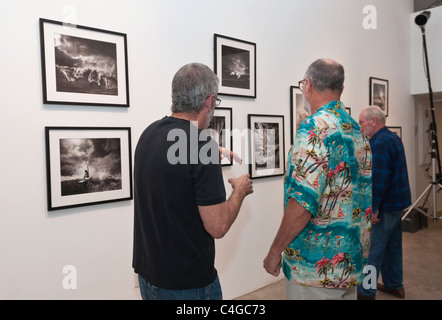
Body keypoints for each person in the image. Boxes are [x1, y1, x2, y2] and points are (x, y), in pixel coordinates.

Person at [132, 63, 253, 300]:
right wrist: (239, 190)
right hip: (186, 285)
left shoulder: (149, 134)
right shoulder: (200, 146)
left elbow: (175, 163)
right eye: (215, 103)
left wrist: (212, 149)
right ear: (209, 101)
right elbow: (218, 226)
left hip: (149, 277)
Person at [263, 58, 372, 300]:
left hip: (315, 269)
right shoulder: (357, 131)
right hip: (349, 265)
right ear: (341, 89)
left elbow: (302, 204)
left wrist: (274, 251)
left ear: (308, 86)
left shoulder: (313, 129)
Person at [357, 106, 411, 300]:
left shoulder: (378, 143)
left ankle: (366, 292)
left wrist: (373, 208)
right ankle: (395, 285)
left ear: (373, 121)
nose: (360, 126)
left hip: (385, 208)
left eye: (362, 122)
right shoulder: (392, 137)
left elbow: (379, 179)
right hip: (398, 204)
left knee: (373, 252)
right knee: (393, 248)